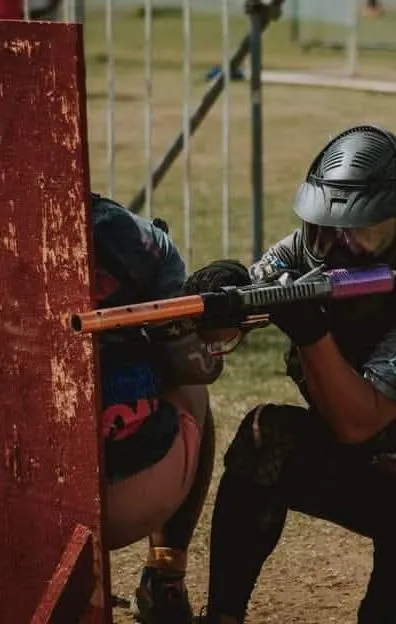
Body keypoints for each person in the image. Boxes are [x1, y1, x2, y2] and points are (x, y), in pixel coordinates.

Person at [194, 124, 396, 623]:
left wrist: (310, 330)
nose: (342, 246)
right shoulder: (302, 253)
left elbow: (356, 422)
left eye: (367, 231)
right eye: (325, 228)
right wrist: (220, 300)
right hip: (364, 473)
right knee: (265, 438)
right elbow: (224, 330)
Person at [90, 193, 249, 624]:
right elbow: (194, 367)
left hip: (20, 503)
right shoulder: (132, 236)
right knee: (191, 390)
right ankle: (165, 580)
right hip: (126, 498)